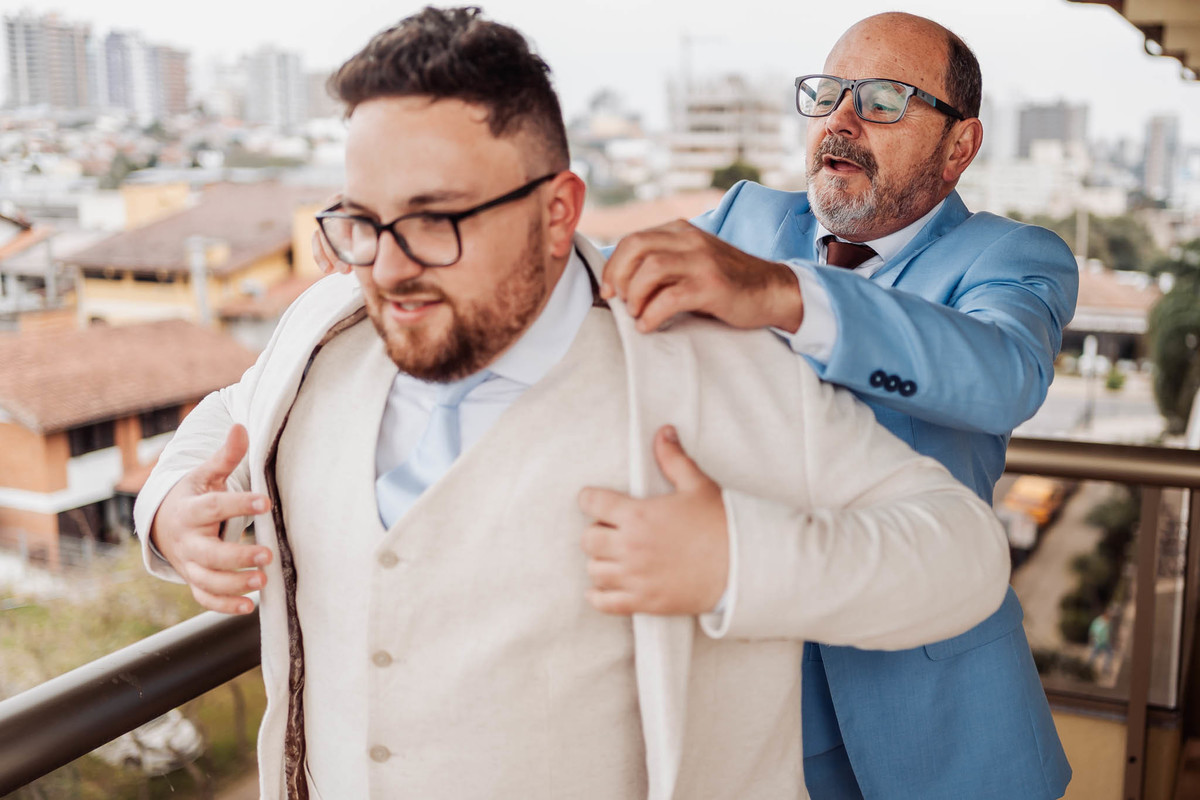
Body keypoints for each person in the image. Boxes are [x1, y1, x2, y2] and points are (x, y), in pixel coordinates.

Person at [135, 8, 1011, 800]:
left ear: (559, 213)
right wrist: (170, 503)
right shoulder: (324, 330)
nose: (390, 270)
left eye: (438, 219)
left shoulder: (710, 372)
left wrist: (739, 561)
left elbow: (965, 553)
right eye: (363, 221)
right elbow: (231, 411)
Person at [598, 12, 1077, 800]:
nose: (841, 122)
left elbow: (1004, 373)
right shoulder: (743, 218)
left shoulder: (1011, 255)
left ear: (960, 146)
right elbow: (600, 286)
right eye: (826, 95)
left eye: (886, 99)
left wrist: (789, 293)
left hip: (941, 726)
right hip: (752, 708)